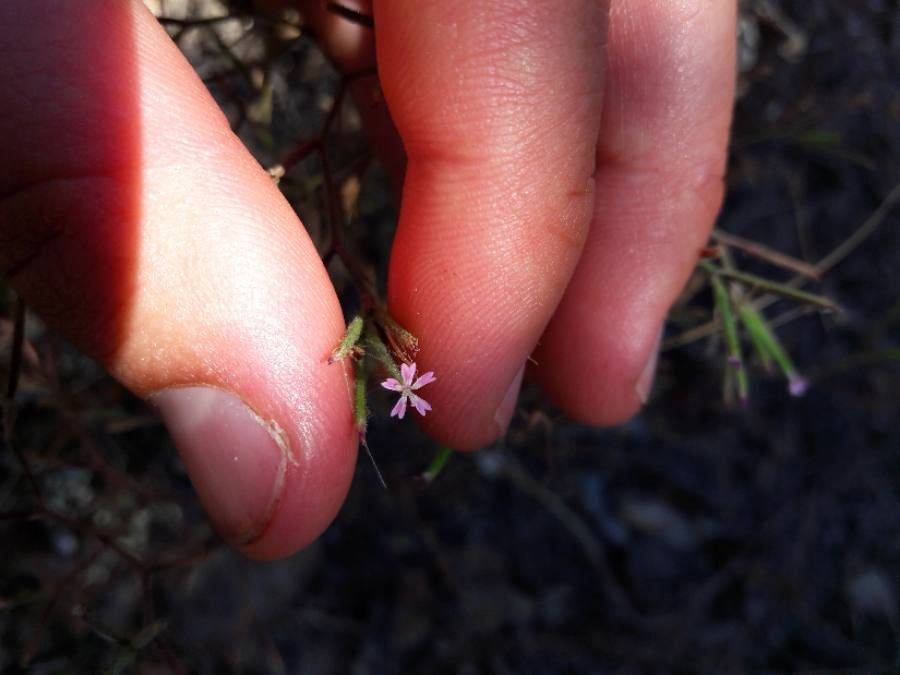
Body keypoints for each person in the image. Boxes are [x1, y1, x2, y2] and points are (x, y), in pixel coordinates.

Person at [0, 1, 736, 559]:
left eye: (401, 382)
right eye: (402, 381)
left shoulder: (391, 353)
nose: (403, 381)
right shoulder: (392, 353)